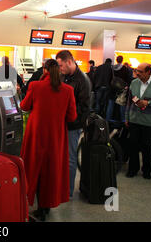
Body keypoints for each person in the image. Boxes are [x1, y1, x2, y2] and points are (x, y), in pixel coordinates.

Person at [20, 59, 77, 222]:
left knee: (33, 168)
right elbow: (72, 116)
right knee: (51, 171)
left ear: (44, 70)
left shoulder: (35, 86)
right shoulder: (67, 90)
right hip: (56, 137)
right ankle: (45, 207)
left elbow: (24, 106)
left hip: (36, 134)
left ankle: (34, 203)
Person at [56, 50, 91, 197]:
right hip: (61, 123)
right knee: (60, 158)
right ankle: (60, 187)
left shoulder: (83, 80)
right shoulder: (63, 76)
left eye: (61, 65)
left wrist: (67, 116)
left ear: (69, 62)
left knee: (70, 159)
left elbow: (84, 108)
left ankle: (68, 191)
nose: (60, 68)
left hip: (72, 126)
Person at [125, 62, 151, 180]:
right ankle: (132, 169)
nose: (137, 73)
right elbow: (129, 101)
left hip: (149, 122)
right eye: (137, 71)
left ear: (149, 72)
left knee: (146, 147)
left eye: (141, 72)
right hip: (134, 119)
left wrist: (148, 103)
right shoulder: (134, 83)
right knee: (132, 146)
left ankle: (147, 171)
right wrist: (127, 117)